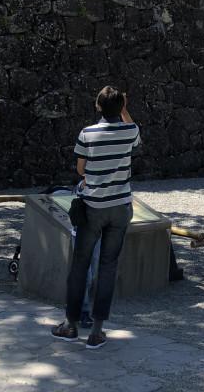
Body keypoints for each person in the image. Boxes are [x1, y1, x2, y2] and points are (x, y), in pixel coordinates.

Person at [52, 86, 140, 350]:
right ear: (121, 106)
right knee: (108, 266)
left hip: (93, 207)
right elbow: (134, 131)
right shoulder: (129, 130)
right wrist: (124, 109)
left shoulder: (87, 133)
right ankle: (97, 330)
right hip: (120, 206)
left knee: (80, 264)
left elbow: (81, 169)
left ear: (98, 106)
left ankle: (70, 324)